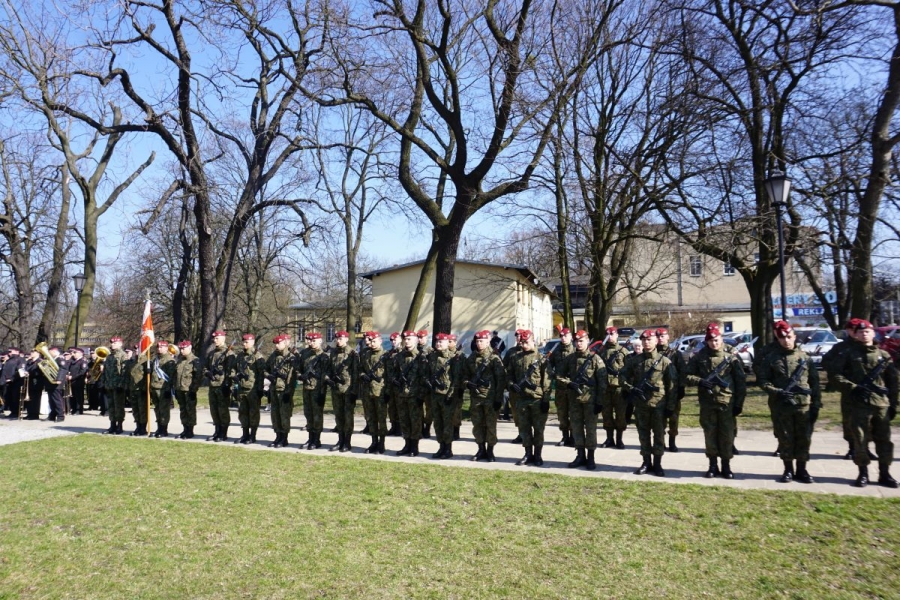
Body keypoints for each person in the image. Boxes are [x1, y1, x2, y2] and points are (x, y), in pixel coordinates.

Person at [832, 319, 899, 488]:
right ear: (855, 334)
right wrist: (852, 388)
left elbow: (893, 382)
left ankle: (885, 473)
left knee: (884, 440)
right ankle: (863, 473)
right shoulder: (848, 354)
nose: (864, 334)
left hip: (881, 404)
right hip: (858, 404)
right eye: (860, 332)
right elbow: (835, 375)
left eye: (867, 331)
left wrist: (893, 404)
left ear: (873, 333)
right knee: (860, 440)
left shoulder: (883, 355)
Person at [756, 320, 821, 483]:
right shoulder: (771, 358)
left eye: (789, 336)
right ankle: (788, 470)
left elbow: (815, 383)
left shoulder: (805, 358)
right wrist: (776, 391)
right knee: (785, 438)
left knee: (804, 438)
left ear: (794, 336)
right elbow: (763, 380)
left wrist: (816, 404)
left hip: (803, 405)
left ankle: (802, 469)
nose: (786, 340)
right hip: (781, 405)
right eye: (782, 338)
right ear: (778, 339)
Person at [686, 325, 747, 479]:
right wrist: (700, 381)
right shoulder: (699, 357)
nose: (714, 343)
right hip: (707, 403)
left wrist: (739, 403)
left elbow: (740, 382)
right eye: (711, 341)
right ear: (707, 342)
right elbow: (686, 376)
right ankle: (712, 465)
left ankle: (726, 466)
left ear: (721, 339)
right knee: (710, 434)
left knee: (727, 435)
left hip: (727, 403)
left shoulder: (731, 357)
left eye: (717, 340)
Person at [621, 330, 676, 476]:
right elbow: (622, 376)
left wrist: (670, 406)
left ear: (656, 341)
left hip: (659, 405)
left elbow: (672, 385)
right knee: (643, 435)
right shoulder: (635, 361)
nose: (646, 342)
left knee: (659, 435)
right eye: (644, 340)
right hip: (641, 405)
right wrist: (631, 388)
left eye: (649, 339)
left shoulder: (665, 361)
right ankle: (646, 462)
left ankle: (657, 464)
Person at [822, 319, 876, 460]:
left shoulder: (868, 346)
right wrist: (841, 372)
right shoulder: (841, 347)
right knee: (849, 419)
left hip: (869, 391)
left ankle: (865, 447)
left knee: (869, 420)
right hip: (850, 390)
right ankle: (852, 447)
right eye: (851, 330)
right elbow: (826, 362)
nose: (854, 332)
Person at [556, 330, 606, 470]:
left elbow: (602, 383)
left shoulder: (596, 359)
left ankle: (591, 457)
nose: (579, 344)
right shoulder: (570, 359)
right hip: (574, 400)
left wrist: (599, 402)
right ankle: (580, 455)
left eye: (581, 341)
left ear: (588, 341)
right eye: (577, 341)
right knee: (576, 428)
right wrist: (568, 383)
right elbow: (558, 375)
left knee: (590, 430)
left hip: (590, 401)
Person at [507, 330, 551, 466]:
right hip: (521, 399)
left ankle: (538, 455)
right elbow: (509, 375)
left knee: (538, 429)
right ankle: (527, 454)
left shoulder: (541, 358)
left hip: (537, 399)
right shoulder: (515, 358)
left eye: (526, 342)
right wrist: (512, 385)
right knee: (524, 429)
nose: (524, 345)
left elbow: (547, 381)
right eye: (522, 342)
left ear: (533, 341)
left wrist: (546, 400)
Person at [461, 330, 506, 461]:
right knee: (477, 425)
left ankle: (490, 451)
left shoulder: (494, 358)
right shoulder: (471, 358)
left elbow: (500, 379)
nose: (479, 343)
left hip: (490, 398)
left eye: (482, 341)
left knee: (490, 425)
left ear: (488, 342)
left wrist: (498, 399)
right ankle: (481, 449)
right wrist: (467, 383)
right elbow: (464, 376)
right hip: (476, 398)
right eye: (477, 341)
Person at [424, 333, 457, 459]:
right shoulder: (432, 356)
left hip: (446, 395)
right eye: (437, 342)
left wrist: (451, 394)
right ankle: (441, 446)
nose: (438, 344)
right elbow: (427, 373)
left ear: (448, 343)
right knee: (437, 423)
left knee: (447, 423)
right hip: (434, 394)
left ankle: (448, 449)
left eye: (441, 342)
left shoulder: (453, 357)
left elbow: (456, 378)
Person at [326, 330, 358, 452]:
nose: (338, 341)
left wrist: (354, 391)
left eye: (341, 339)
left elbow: (355, 373)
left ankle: (347, 442)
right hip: (336, 389)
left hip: (347, 390)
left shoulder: (352, 353)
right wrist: (328, 379)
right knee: (338, 416)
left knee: (348, 417)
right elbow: (329, 369)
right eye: (337, 339)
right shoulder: (333, 353)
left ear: (346, 339)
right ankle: (340, 440)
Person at [393, 331, 423, 456]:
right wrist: (395, 380)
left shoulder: (421, 356)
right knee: (404, 420)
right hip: (401, 394)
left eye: (410, 339)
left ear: (416, 340)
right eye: (405, 339)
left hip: (414, 394)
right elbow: (394, 372)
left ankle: (414, 446)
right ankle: (407, 444)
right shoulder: (399, 356)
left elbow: (424, 377)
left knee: (415, 421)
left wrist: (421, 395)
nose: (407, 341)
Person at [597, 327, 628, 449]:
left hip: (619, 388)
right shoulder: (601, 351)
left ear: (617, 335)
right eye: (607, 334)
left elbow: (629, 371)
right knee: (606, 414)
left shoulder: (623, 351)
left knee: (620, 414)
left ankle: (619, 439)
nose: (609, 336)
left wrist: (627, 387)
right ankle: (609, 438)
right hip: (605, 388)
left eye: (612, 334)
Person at [231, 334, 266, 444]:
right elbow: (233, 368)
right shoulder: (240, 356)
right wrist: (234, 378)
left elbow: (261, 374)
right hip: (241, 388)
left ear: (252, 342)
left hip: (252, 389)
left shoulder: (257, 356)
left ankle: (252, 435)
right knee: (242, 413)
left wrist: (260, 389)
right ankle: (245, 434)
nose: (244, 344)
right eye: (243, 342)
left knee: (253, 413)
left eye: (247, 342)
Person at [265, 333, 298, 448]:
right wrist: (269, 376)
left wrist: (289, 392)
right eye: (275, 343)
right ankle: (278, 436)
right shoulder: (273, 356)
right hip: (274, 389)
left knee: (284, 415)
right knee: (275, 415)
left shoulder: (291, 357)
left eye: (278, 343)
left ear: (285, 343)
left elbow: (292, 377)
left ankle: (284, 438)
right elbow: (265, 369)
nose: (276, 345)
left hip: (284, 390)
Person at [657, 327, 686, 452]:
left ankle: (672, 441)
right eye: (658, 336)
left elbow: (682, 371)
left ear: (668, 337)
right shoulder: (653, 353)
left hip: (673, 391)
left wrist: (681, 387)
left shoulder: (675, 354)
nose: (660, 339)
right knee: (659, 419)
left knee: (673, 418)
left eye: (662, 336)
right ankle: (661, 441)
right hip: (658, 392)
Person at [358, 331, 388, 454]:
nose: (372, 343)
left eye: (374, 341)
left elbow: (389, 374)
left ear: (380, 341)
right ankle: (373, 442)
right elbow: (360, 368)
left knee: (381, 419)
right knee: (370, 418)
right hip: (367, 391)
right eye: (370, 341)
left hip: (380, 392)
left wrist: (387, 392)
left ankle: (382, 443)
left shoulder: (385, 356)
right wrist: (362, 375)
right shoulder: (365, 354)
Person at [296, 332, 327, 449]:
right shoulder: (304, 354)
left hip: (317, 389)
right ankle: (310, 438)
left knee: (317, 416)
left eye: (315, 341)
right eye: (311, 341)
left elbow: (325, 375)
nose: (312, 343)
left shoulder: (324, 356)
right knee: (308, 414)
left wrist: (322, 392)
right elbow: (298, 368)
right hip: (306, 388)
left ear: (320, 341)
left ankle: (316, 440)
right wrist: (300, 376)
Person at [205, 331, 235, 442]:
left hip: (222, 385)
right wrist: (207, 373)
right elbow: (205, 367)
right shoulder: (212, 353)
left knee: (223, 410)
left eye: (217, 338)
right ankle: (217, 431)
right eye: (214, 338)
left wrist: (228, 384)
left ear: (223, 338)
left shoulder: (229, 353)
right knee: (214, 410)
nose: (215, 340)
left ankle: (223, 432)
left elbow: (231, 370)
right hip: (212, 385)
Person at [548, 327, 575, 447]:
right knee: (562, 413)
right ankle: (565, 436)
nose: (563, 338)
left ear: (571, 337)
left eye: (566, 336)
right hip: (560, 387)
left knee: (573, 413)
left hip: (573, 387)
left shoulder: (575, 350)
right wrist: (553, 374)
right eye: (562, 336)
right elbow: (549, 364)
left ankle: (574, 436)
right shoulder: (556, 351)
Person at [150, 341, 177, 438]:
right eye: (158, 347)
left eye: (162, 347)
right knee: (157, 409)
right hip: (154, 387)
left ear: (166, 348)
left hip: (163, 389)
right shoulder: (155, 359)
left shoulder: (170, 360)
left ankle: (164, 429)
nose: (159, 349)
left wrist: (168, 389)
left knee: (164, 410)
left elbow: (171, 377)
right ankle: (159, 427)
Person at [502, 330, 524, 439]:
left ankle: (527, 434)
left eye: (520, 336)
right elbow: (504, 366)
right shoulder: (511, 352)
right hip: (513, 387)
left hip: (526, 388)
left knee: (525, 412)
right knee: (516, 412)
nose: (518, 338)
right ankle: (521, 433)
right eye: (517, 336)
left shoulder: (528, 351)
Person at [384, 332, 403, 436]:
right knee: (391, 407)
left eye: (395, 340)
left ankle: (400, 427)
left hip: (399, 385)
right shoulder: (388, 353)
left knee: (400, 406)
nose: (393, 342)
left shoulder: (403, 353)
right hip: (389, 384)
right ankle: (393, 426)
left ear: (400, 339)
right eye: (392, 340)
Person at [416, 329, 434, 439]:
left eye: (422, 337)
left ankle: (427, 427)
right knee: (418, 409)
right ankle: (420, 428)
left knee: (429, 409)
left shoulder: (431, 352)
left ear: (426, 338)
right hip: (417, 385)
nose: (420, 339)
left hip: (427, 385)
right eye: (418, 337)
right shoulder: (414, 351)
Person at [44, 347, 69, 422]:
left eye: (50, 352)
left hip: (57, 382)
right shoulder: (52, 359)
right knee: (51, 400)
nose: (48, 353)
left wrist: (59, 379)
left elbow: (63, 369)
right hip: (51, 382)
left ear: (54, 351)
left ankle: (60, 416)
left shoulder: (60, 359)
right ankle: (52, 415)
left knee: (57, 399)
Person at [2, 348, 25, 418]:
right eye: (8, 351)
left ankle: (16, 413)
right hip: (8, 382)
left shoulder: (20, 359)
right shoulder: (9, 360)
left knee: (15, 398)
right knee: (9, 398)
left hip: (16, 382)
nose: (9, 353)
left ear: (17, 352)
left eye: (11, 351)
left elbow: (20, 371)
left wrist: (12, 379)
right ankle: (12, 411)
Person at [67, 348, 88, 415]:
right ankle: (74, 409)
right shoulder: (73, 361)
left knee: (79, 396)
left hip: (79, 381)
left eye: (75, 353)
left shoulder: (82, 362)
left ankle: (79, 409)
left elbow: (82, 372)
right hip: (72, 381)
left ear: (80, 353)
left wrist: (72, 377)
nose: (74, 354)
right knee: (73, 396)